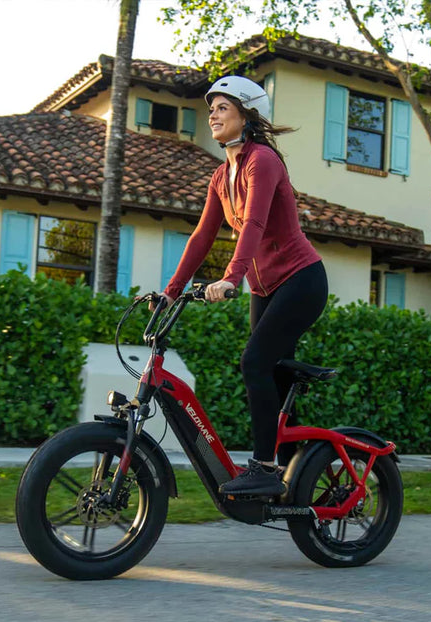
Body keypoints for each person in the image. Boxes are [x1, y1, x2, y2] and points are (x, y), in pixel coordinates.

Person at [156, 75, 329, 496]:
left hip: (302, 280)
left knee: (254, 362)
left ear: (247, 115)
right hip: (265, 289)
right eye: (211, 108)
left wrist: (231, 277)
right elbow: (202, 236)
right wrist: (172, 290)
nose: (212, 114)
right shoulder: (222, 175)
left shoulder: (262, 161)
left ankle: (265, 468)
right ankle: (293, 475)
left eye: (222, 108)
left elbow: (252, 223)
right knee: (274, 371)